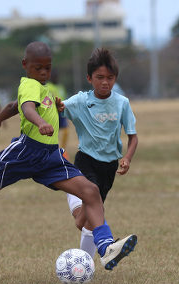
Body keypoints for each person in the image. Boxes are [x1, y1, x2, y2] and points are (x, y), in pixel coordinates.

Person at [0, 41, 136, 270]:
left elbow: (14, 105)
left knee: (91, 191)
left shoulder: (42, 88)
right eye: (38, 68)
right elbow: (26, 108)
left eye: (47, 67)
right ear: (25, 65)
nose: (44, 72)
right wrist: (40, 122)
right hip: (24, 154)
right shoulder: (28, 84)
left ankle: (106, 247)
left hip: (49, 157)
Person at [60, 48, 138, 259]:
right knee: (94, 200)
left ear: (116, 79)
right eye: (100, 77)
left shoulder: (122, 103)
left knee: (84, 220)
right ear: (89, 78)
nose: (105, 82)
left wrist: (127, 158)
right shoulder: (79, 101)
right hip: (86, 160)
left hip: (109, 165)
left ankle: (85, 264)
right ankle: (104, 249)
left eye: (110, 78)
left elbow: (133, 136)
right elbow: (57, 109)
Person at [45, 69, 70, 158]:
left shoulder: (61, 87)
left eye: (56, 76)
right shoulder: (47, 87)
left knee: (65, 131)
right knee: (53, 133)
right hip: (52, 113)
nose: (55, 78)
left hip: (61, 112)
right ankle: (52, 151)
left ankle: (62, 151)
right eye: (53, 76)